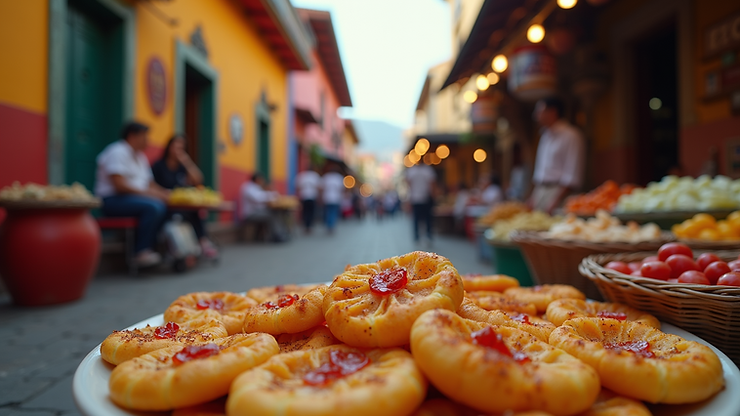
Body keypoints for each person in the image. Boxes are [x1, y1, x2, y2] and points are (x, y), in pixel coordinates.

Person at [95, 121, 169, 267]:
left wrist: (166, 193)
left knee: (164, 205)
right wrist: (149, 194)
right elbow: (119, 185)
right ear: (132, 136)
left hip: (133, 199)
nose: (148, 140)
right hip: (112, 200)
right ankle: (140, 252)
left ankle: (151, 248)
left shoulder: (141, 157)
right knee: (154, 207)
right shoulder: (117, 151)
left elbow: (150, 184)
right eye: (144, 136)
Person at [151, 134, 218, 258]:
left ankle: (203, 242)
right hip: (164, 204)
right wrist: (164, 193)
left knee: (195, 212)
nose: (178, 149)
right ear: (169, 146)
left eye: (182, 147)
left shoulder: (182, 167)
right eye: (175, 145)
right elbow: (151, 185)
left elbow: (198, 180)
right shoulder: (158, 165)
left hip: (180, 205)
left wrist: (186, 161)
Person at [529, 97, 585, 214]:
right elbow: (541, 170)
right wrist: (534, 197)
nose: (536, 115)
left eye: (540, 111)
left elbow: (572, 173)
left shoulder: (571, 135)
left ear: (552, 112)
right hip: (541, 191)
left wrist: (555, 200)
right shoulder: (545, 136)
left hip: (559, 192)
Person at [239, 173, 286, 242]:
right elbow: (258, 198)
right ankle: (277, 236)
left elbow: (262, 196)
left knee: (275, 213)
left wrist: (271, 194)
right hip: (249, 214)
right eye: (262, 180)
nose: (263, 182)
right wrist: (272, 195)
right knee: (271, 215)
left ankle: (279, 234)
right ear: (258, 179)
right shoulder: (248, 187)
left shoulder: (255, 187)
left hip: (257, 211)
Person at [405, 162, 436, 243]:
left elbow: (409, 185)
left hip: (417, 198)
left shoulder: (411, 171)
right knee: (427, 219)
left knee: (417, 219)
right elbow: (432, 184)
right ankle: (427, 235)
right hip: (424, 197)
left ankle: (417, 236)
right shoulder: (428, 170)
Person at [294, 166, 321, 234]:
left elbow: (298, 187)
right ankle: (309, 226)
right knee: (311, 212)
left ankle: (306, 226)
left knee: (305, 212)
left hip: (304, 196)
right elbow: (319, 187)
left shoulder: (302, 175)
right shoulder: (315, 176)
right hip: (312, 197)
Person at [321, 165, 344, 234]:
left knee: (328, 212)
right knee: (334, 212)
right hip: (336, 198)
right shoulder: (339, 178)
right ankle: (331, 226)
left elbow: (322, 188)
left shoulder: (326, 177)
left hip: (327, 198)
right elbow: (341, 189)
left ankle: (329, 225)